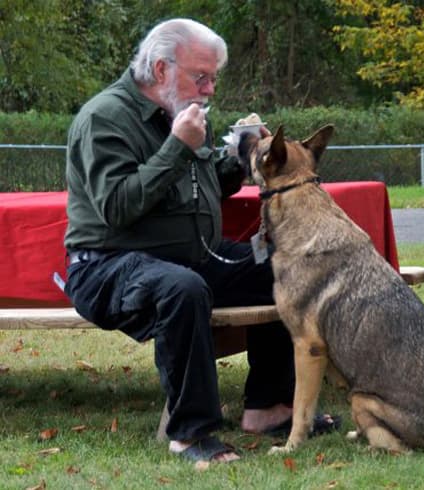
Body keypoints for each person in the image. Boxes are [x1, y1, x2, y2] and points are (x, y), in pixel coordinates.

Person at [63, 18, 337, 466]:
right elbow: (117, 207)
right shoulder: (104, 118)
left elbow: (202, 186)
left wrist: (241, 155)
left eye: (214, 77)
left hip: (191, 257)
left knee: (282, 265)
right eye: (200, 76)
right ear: (160, 69)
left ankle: (268, 406)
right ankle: (190, 433)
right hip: (107, 266)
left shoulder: (186, 114)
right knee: (181, 288)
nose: (209, 89)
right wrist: (177, 147)